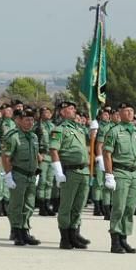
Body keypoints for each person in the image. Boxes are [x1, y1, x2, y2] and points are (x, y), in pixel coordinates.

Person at [102, 103, 136, 254]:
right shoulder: (115, 131)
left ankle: (124, 239)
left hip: (134, 173)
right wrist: (109, 174)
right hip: (120, 172)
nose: (130, 113)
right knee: (119, 207)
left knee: (130, 207)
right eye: (127, 111)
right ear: (120, 113)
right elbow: (107, 154)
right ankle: (115, 241)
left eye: (132, 111)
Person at [49, 100, 91, 250]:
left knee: (78, 206)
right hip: (70, 171)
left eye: (74, 108)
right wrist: (58, 171)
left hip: (84, 171)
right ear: (62, 112)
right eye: (70, 108)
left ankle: (74, 235)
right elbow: (53, 150)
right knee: (66, 206)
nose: (74, 110)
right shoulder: (59, 129)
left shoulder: (79, 129)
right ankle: (65, 238)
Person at [2, 108, 42, 246]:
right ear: (19, 121)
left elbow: (36, 156)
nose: (30, 123)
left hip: (31, 175)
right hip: (18, 174)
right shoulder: (13, 136)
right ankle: (16, 231)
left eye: (32, 120)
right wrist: (8, 176)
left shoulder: (34, 137)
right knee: (17, 204)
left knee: (29, 204)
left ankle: (25, 230)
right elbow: (6, 157)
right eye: (27, 120)